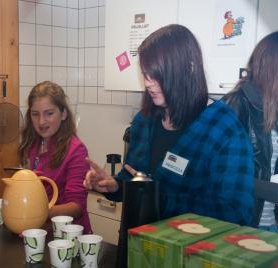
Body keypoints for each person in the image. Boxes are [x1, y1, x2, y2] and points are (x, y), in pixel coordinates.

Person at [84, 24, 255, 226]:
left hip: (188, 253)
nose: (148, 83)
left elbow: (235, 211)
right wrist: (115, 186)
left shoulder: (223, 129)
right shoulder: (144, 121)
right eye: (146, 73)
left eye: (157, 74)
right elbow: (134, 178)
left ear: (189, 68)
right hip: (135, 245)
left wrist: (157, 198)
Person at [223, 31, 278, 238]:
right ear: (271, 64)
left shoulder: (273, 108)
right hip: (239, 226)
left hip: (267, 223)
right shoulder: (236, 105)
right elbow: (223, 176)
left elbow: (262, 170)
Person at [19, 81, 92, 234]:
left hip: (68, 237)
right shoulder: (32, 145)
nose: (41, 121)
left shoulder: (76, 150)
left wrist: (36, 214)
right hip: (39, 232)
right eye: (35, 114)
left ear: (63, 114)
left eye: (49, 113)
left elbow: (77, 207)